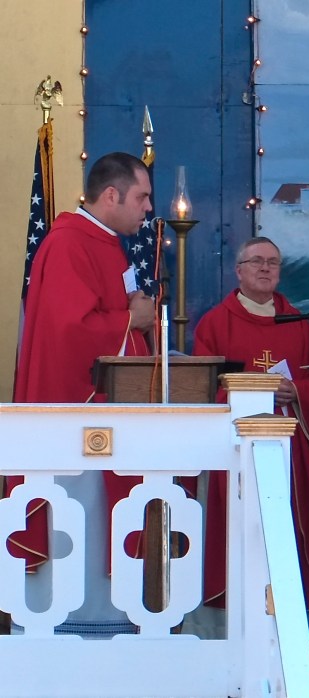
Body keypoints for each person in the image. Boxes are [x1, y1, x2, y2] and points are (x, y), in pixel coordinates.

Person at [9, 151, 156, 637]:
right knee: (81, 519)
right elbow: (69, 331)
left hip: (108, 415)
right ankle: (72, 630)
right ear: (111, 195)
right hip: (77, 416)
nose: (148, 208)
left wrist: (137, 322)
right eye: (142, 197)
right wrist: (130, 319)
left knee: (101, 518)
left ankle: (108, 627)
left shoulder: (105, 243)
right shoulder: (70, 242)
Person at [193, 236, 309, 615]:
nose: (266, 268)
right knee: (242, 531)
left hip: (290, 449)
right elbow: (203, 388)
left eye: (273, 262)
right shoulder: (215, 323)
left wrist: (296, 391)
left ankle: (289, 615)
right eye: (257, 261)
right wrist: (257, 392)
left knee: (286, 529)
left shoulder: (299, 324)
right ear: (239, 271)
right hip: (236, 447)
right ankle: (237, 613)